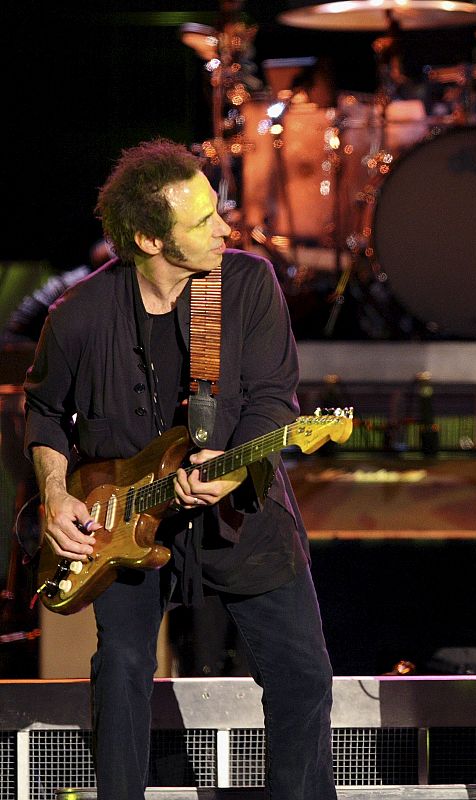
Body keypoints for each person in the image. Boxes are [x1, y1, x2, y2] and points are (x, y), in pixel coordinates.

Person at [23, 139, 336, 799]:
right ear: (148, 238)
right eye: (202, 222)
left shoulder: (246, 283)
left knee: (303, 676)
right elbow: (46, 412)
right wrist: (55, 496)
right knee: (123, 670)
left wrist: (230, 466)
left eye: (216, 212)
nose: (224, 227)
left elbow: (274, 398)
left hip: (239, 516)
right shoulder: (76, 317)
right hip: (122, 525)